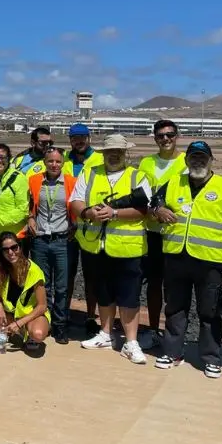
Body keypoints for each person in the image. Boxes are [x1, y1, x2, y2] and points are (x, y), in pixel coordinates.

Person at [151, 141, 222, 378]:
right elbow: (154, 202)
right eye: (194, 157)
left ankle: (211, 357)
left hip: (209, 261)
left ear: (211, 160)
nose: (198, 161)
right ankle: (172, 352)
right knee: (174, 307)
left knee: (209, 311)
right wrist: (158, 210)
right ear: (186, 160)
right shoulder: (174, 182)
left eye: (203, 157)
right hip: (176, 257)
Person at [69, 134, 151, 364]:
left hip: (128, 248)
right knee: (103, 292)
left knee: (129, 296)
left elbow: (145, 209)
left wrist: (114, 213)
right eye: (109, 151)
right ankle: (105, 333)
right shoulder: (90, 172)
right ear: (103, 153)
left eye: (118, 151)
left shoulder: (138, 176)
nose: (114, 154)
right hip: (96, 246)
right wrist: (88, 213)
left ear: (126, 153)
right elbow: (76, 201)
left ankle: (131, 341)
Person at [136, 120, 187, 350]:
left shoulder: (187, 161)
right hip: (151, 231)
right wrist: (155, 210)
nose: (165, 139)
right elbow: (140, 194)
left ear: (177, 136)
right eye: (160, 136)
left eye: (169, 135)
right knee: (153, 284)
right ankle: (154, 329)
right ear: (155, 138)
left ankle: (175, 335)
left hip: (176, 233)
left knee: (176, 287)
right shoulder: (146, 162)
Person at [26, 147, 75, 344]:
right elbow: (30, 204)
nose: (54, 165)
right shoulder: (35, 180)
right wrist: (30, 217)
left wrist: (75, 225)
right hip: (40, 240)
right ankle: (43, 321)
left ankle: (60, 325)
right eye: (50, 161)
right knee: (42, 285)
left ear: (63, 163)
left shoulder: (71, 182)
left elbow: (78, 205)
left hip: (62, 240)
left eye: (58, 162)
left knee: (62, 286)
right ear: (44, 163)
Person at [0, 231, 51, 351]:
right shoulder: (0, 267)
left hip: (30, 315)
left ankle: (27, 333)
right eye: (6, 250)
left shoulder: (34, 271)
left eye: (14, 247)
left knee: (38, 334)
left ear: (20, 247)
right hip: (11, 313)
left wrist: (19, 323)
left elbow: (42, 306)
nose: (11, 252)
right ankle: (2, 334)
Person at [64, 123, 105, 335]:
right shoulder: (64, 160)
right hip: (69, 228)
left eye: (82, 137)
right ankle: (65, 312)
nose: (78, 141)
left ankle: (90, 316)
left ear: (89, 138)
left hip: (91, 226)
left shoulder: (99, 159)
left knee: (91, 276)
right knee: (67, 274)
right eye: (74, 138)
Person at [0, 143, 29, 241]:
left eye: (3, 157)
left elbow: (23, 210)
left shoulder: (18, 178)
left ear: (9, 159)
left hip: (14, 236)